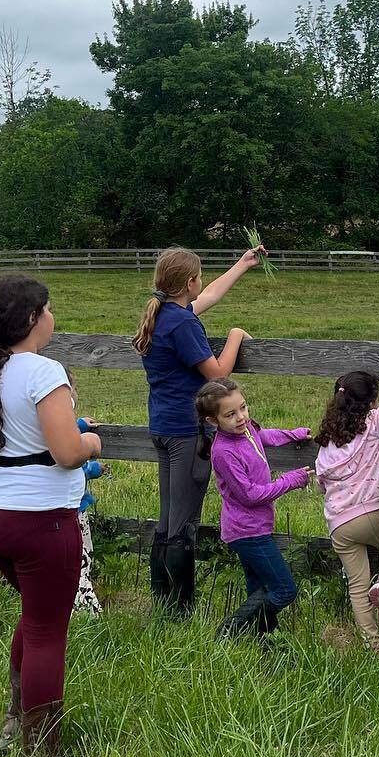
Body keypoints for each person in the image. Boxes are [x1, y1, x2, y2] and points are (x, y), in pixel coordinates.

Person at [0, 273, 102, 757]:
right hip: (40, 517)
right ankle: (42, 749)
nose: (52, 316)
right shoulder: (45, 371)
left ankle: (16, 718)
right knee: (48, 629)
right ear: (30, 319)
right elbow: (66, 452)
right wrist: (91, 442)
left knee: (35, 612)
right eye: (47, 309)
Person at [131, 244, 266, 615]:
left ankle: (163, 603)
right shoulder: (183, 323)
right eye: (199, 277)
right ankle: (178, 610)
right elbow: (218, 374)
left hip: (162, 426)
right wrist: (236, 335)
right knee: (183, 521)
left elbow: (209, 296)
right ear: (188, 282)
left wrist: (242, 264)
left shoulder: (162, 313)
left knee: (168, 516)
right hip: (187, 433)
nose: (201, 284)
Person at [195, 377, 311, 639]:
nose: (241, 417)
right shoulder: (224, 452)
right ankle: (232, 629)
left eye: (243, 408)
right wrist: (289, 480)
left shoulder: (245, 431)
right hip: (246, 531)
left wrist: (293, 434)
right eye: (231, 414)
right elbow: (249, 495)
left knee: (259, 588)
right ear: (213, 421)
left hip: (255, 528)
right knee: (284, 589)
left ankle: (265, 641)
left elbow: (262, 436)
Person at [313, 364, 379, 645]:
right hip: (373, 513)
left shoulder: (328, 440)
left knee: (356, 586)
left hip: (339, 524)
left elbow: (320, 484)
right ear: (371, 402)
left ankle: (372, 643)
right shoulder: (374, 423)